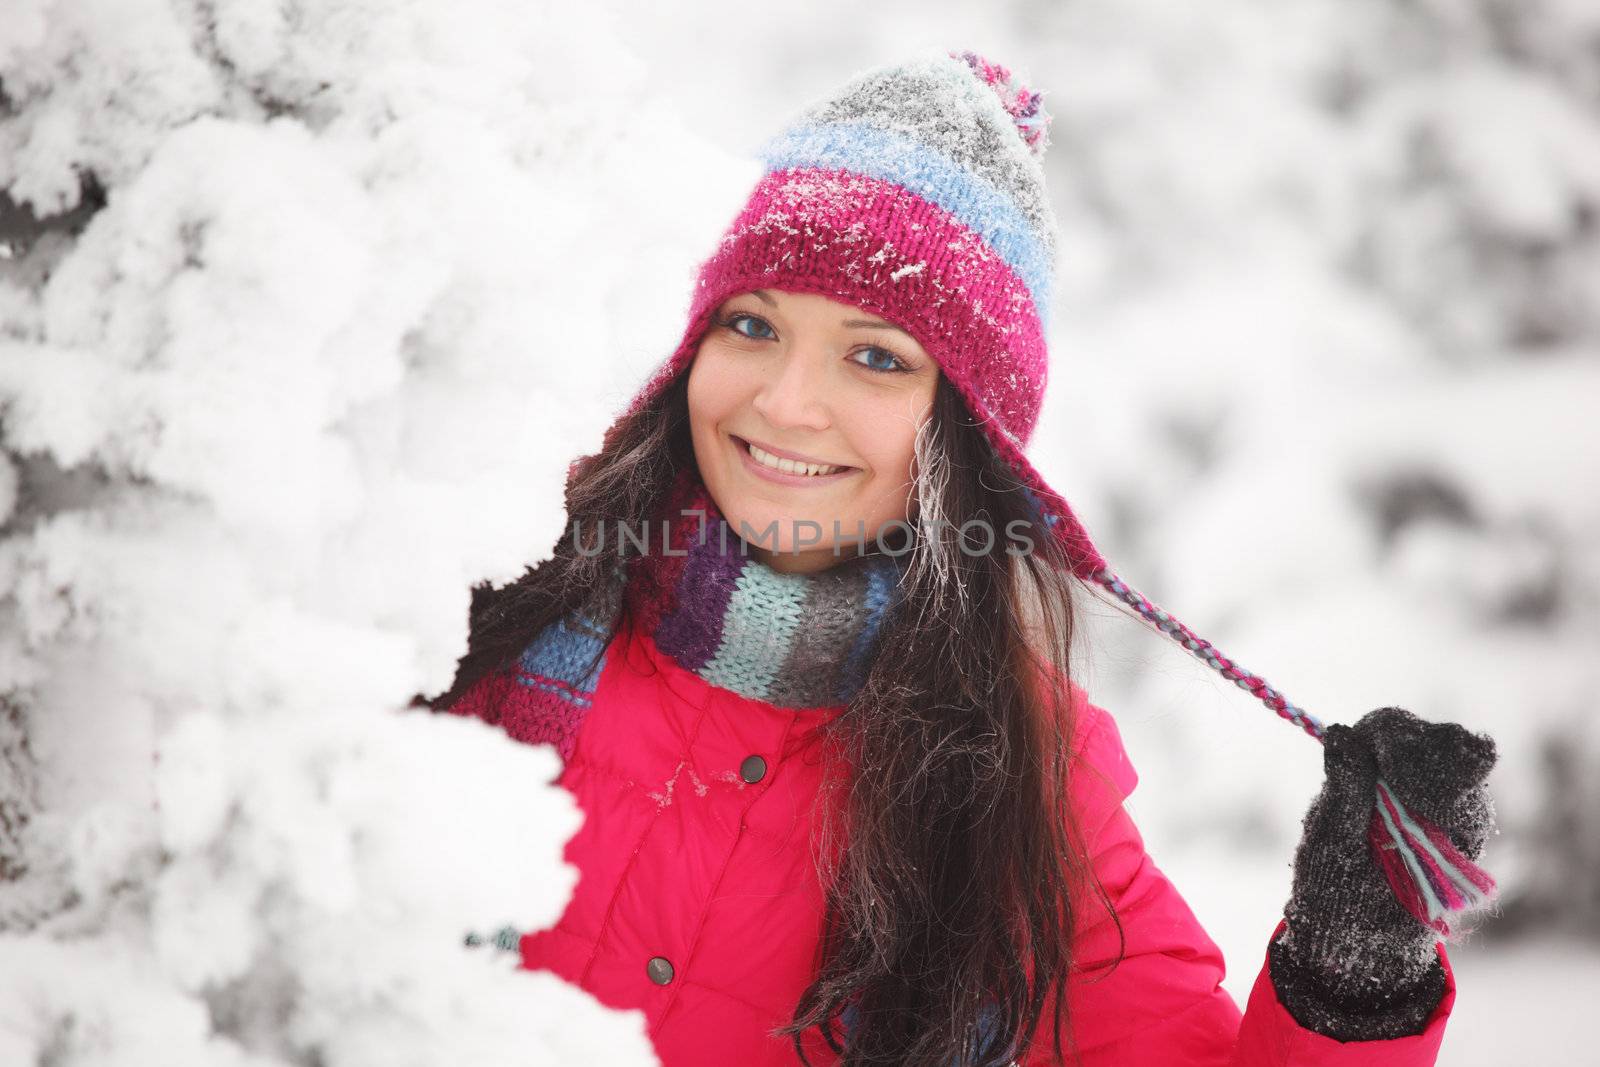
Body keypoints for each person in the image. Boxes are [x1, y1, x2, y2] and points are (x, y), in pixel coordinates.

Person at [418, 49, 1500, 1066]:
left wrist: (1345, 978)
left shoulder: (1020, 771)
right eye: (752, 325)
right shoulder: (479, 587)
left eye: (876, 357)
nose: (786, 402)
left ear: (964, 430)